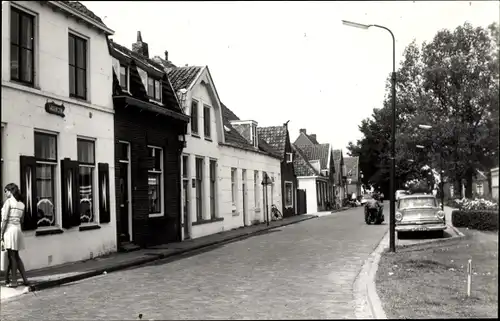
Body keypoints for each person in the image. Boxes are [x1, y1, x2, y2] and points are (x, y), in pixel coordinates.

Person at [1, 183, 29, 288]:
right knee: (15, 256)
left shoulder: (8, 202)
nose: (5, 194)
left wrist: (1, 233)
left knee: (12, 256)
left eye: (6, 191)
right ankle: (24, 279)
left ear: (10, 191)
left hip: (9, 229)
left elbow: (4, 220)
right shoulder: (21, 204)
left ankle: (14, 281)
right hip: (18, 229)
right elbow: (21, 220)